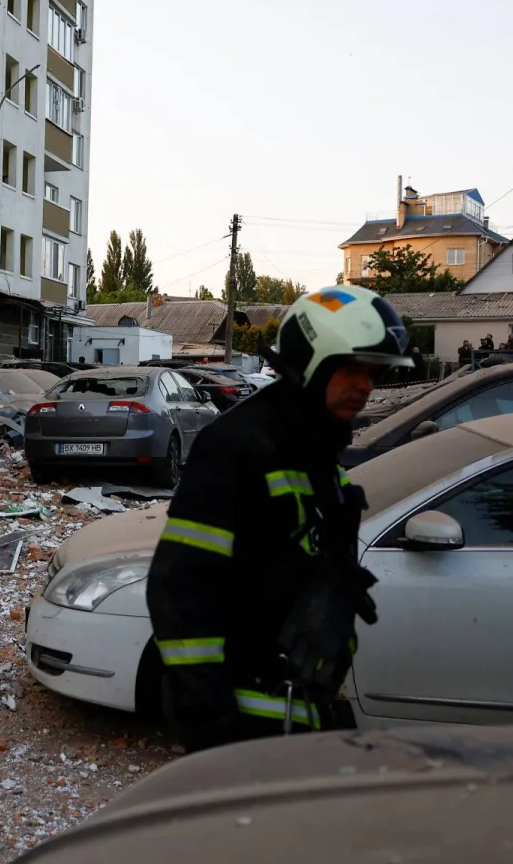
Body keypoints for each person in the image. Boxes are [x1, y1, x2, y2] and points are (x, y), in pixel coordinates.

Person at [146, 285, 410, 751]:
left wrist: (334, 587)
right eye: (352, 368)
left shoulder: (318, 452)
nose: (366, 385)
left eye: (374, 372)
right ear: (312, 360)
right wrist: (211, 726)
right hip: (247, 725)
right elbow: (179, 589)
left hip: (305, 712)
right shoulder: (237, 446)